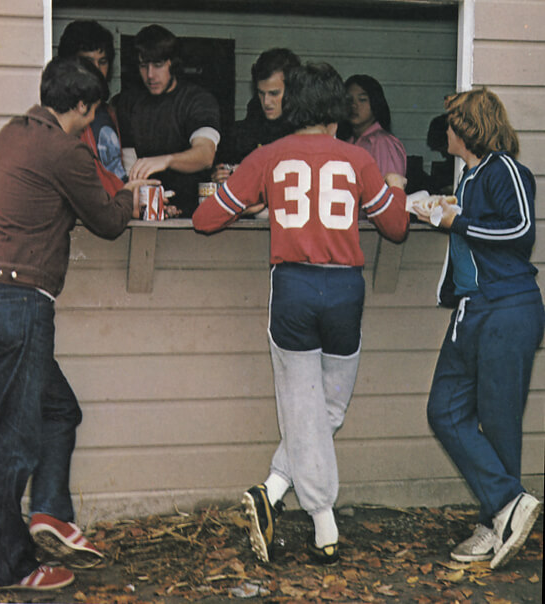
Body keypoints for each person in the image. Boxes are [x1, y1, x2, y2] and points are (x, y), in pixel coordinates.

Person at [193, 62, 409, 565]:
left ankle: (277, 493)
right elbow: (396, 227)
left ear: (290, 107)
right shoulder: (358, 158)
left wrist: (251, 202)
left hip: (293, 289)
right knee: (327, 409)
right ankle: (320, 521)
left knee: (303, 408)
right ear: (336, 111)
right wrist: (396, 186)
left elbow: (204, 219)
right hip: (344, 290)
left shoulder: (268, 155)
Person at [0, 56, 156, 591]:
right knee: (14, 442)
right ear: (80, 105)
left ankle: (48, 510)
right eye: (91, 112)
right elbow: (109, 222)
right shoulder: (65, 150)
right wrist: (130, 191)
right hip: (23, 303)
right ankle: (6, 567)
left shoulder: (12, 133)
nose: (91, 121)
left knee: (58, 410)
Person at [415, 88, 543, 569]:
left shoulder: (505, 168)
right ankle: (509, 504)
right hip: (473, 309)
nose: (444, 129)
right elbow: (470, 225)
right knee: (445, 410)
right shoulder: (469, 176)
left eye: (451, 122)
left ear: (467, 129)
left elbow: (520, 230)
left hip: (507, 307)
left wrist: (457, 221)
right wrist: (442, 213)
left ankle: (496, 523)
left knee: (500, 421)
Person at [115, 24, 221, 217]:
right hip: (147, 208)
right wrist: (143, 202)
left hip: (194, 212)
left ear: (173, 63)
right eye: (143, 66)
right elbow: (130, 169)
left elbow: (206, 155)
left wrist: (166, 160)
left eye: (158, 65)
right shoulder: (128, 102)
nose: (150, 75)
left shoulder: (197, 100)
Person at [211, 48, 301, 184]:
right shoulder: (241, 134)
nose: (266, 101)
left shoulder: (307, 129)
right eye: (261, 93)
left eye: (274, 93)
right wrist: (220, 176)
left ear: (293, 91)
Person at [58, 19, 127, 195]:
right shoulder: (64, 117)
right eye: (88, 62)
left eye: (102, 62)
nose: (96, 69)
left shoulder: (109, 112)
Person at [340, 74, 407, 177]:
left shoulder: (383, 142)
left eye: (362, 99)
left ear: (375, 103)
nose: (353, 105)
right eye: (349, 100)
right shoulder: (348, 142)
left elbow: (391, 183)